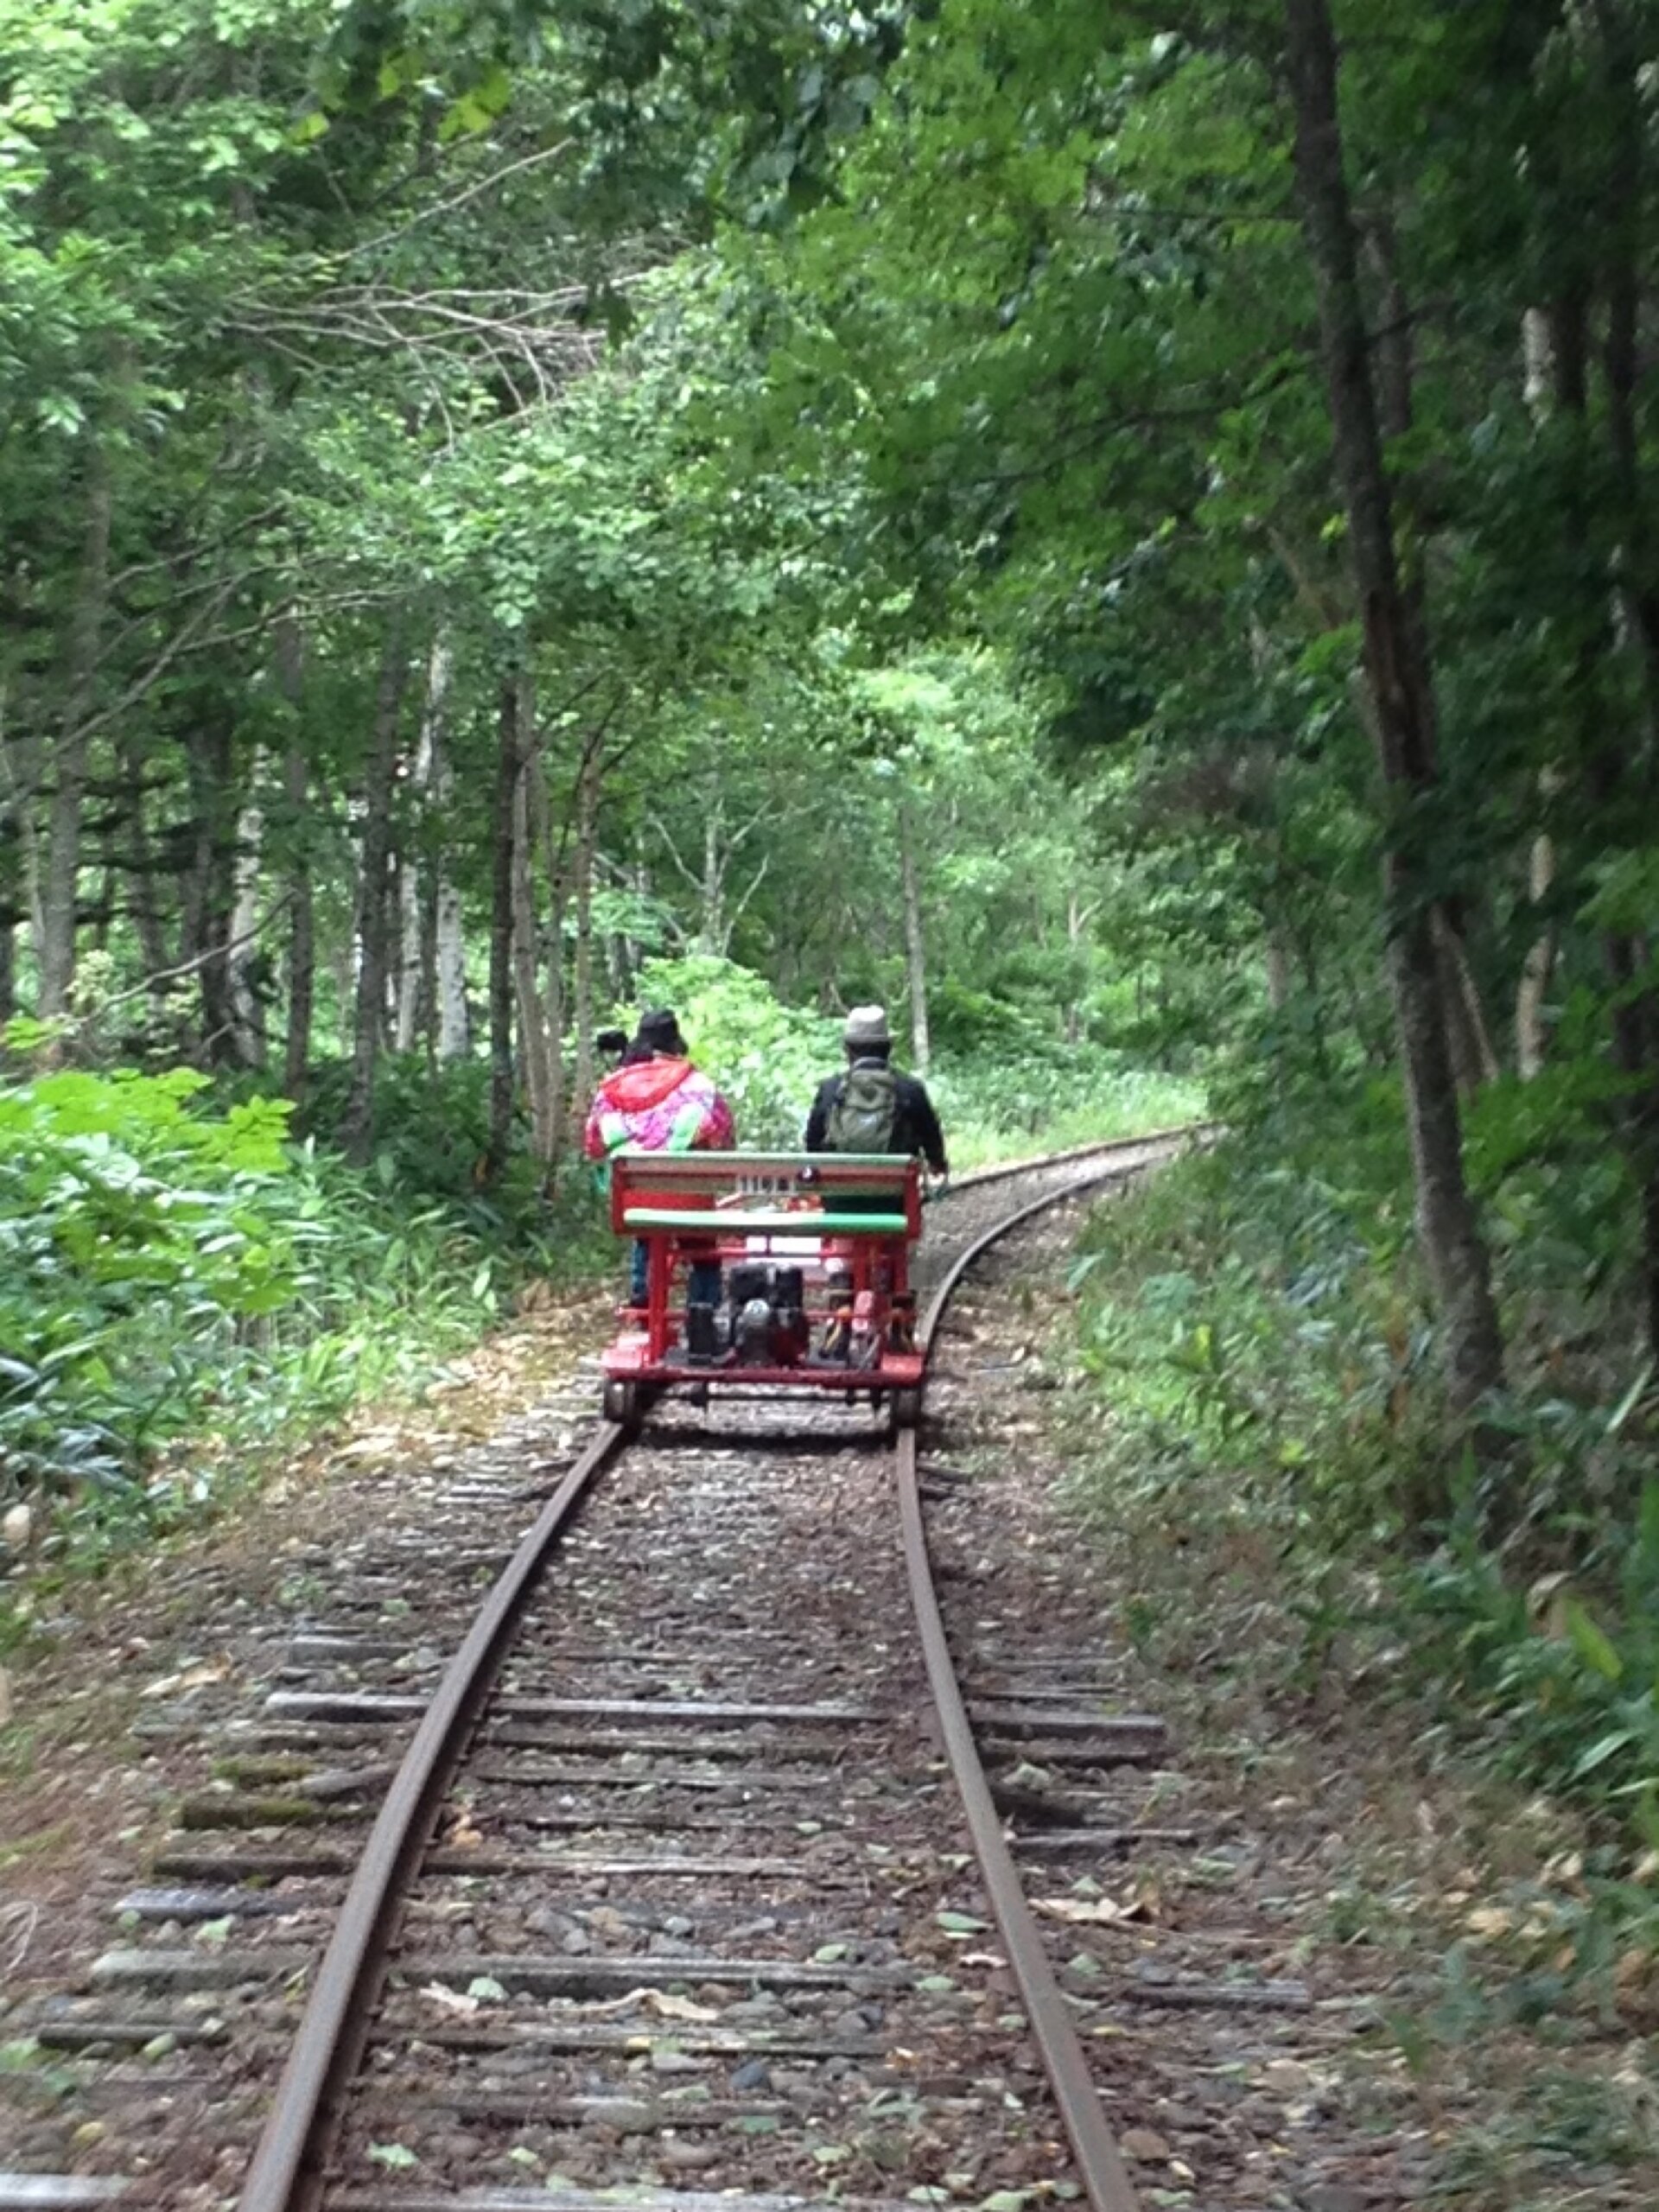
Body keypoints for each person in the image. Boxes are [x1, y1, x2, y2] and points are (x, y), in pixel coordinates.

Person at [583, 1007, 734, 1307]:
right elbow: (724, 1137)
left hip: (636, 1201)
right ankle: (703, 1307)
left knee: (646, 1224)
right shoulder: (698, 1086)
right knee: (699, 1236)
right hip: (687, 1199)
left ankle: (642, 1293)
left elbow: (594, 1144)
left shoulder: (613, 1087)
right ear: (675, 1042)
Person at [805, 1005, 948, 1177]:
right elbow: (931, 1138)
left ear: (847, 1050)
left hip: (839, 1193)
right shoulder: (910, 1090)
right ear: (888, 1049)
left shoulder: (830, 1089)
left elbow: (812, 1145)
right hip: (897, 1191)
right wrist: (937, 1164)